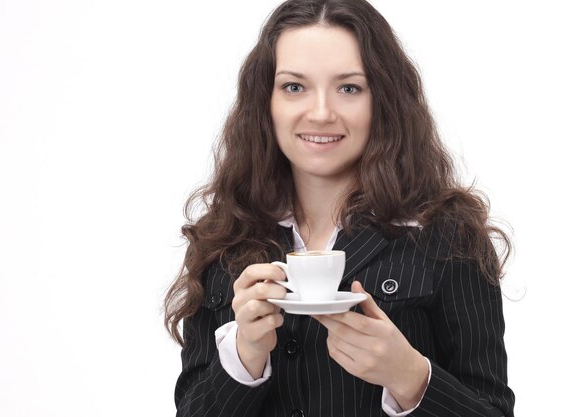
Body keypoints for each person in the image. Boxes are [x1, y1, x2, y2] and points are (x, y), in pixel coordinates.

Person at [164, 0, 515, 415]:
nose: (321, 113)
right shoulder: (224, 239)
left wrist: (410, 377)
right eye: (294, 87)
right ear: (266, 102)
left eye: (349, 88)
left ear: (382, 100)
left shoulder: (449, 237)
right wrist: (244, 355)